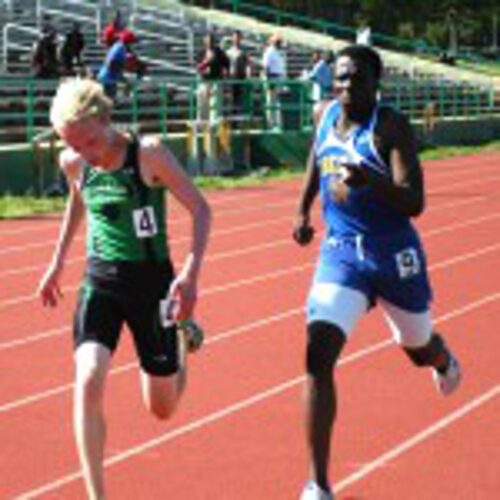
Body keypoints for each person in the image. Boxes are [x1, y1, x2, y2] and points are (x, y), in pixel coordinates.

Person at [293, 45, 462, 500]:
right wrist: (302, 210)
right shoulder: (326, 114)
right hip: (341, 253)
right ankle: (318, 483)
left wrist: (372, 179)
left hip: (392, 256)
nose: (348, 87)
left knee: (416, 347)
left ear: (376, 84)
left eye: (358, 80)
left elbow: (415, 201)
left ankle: (442, 358)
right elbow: (315, 159)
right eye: (342, 78)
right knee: (317, 352)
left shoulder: (390, 126)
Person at [37, 78, 211, 500]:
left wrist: (189, 273)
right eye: (73, 145)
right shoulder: (74, 162)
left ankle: (182, 341)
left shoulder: (147, 154)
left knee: (162, 409)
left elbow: (201, 208)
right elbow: (78, 200)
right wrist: (58, 261)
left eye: (90, 142)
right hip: (100, 281)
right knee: (89, 380)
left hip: (152, 284)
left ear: (105, 120)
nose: (84, 154)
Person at [97, 29, 137, 99]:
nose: (132, 45)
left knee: (127, 85)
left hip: (110, 78)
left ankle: (125, 97)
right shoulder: (119, 48)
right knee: (109, 101)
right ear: (127, 42)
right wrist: (123, 67)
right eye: (131, 42)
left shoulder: (121, 47)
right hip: (107, 79)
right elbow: (110, 63)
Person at [261, 33, 286, 129]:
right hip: (272, 78)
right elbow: (265, 67)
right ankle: (271, 124)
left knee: (277, 102)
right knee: (271, 102)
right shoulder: (269, 51)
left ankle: (277, 123)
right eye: (278, 41)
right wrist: (268, 82)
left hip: (278, 78)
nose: (280, 43)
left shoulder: (278, 52)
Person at [226, 30, 251, 114]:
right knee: (231, 99)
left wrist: (248, 75)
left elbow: (248, 65)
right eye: (235, 37)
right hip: (231, 79)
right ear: (232, 38)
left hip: (241, 79)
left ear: (241, 39)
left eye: (238, 37)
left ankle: (239, 119)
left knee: (240, 100)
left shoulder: (244, 52)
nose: (237, 39)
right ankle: (232, 119)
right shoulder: (228, 51)